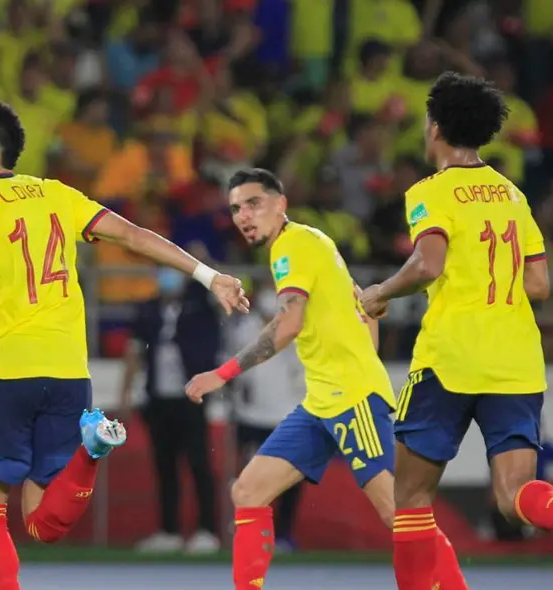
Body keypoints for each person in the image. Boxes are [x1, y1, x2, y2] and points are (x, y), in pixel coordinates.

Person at [0, 97, 248, 590]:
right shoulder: (57, 195)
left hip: (5, 370)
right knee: (43, 524)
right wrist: (208, 275)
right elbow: (131, 236)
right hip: (68, 374)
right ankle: (91, 452)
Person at [184, 168, 467, 590]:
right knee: (248, 491)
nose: (244, 215)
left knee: (399, 515)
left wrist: (222, 374)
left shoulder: (291, 248)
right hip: (322, 401)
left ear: (280, 204)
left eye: (253, 203)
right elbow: (365, 310)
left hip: (350, 399)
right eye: (236, 209)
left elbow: (287, 324)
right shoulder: (313, 240)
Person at [359, 71, 552, 590]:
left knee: (412, 499)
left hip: (449, 359)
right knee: (516, 499)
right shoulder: (512, 194)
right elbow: (538, 283)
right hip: (516, 361)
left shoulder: (431, 191)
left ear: (436, 127)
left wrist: (378, 293)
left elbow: (428, 264)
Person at [119, 268, 221, 554]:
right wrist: (125, 393)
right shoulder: (149, 310)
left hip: (191, 399)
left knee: (199, 464)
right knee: (165, 466)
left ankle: (207, 530)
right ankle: (169, 531)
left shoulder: (198, 309)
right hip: (158, 399)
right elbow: (134, 350)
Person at [227, 286, 306, 551]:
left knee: (288, 480)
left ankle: (283, 534)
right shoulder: (244, 328)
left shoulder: (296, 330)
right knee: (249, 479)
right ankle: (249, 532)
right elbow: (234, 361)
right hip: (250, 415)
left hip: (286, 413)